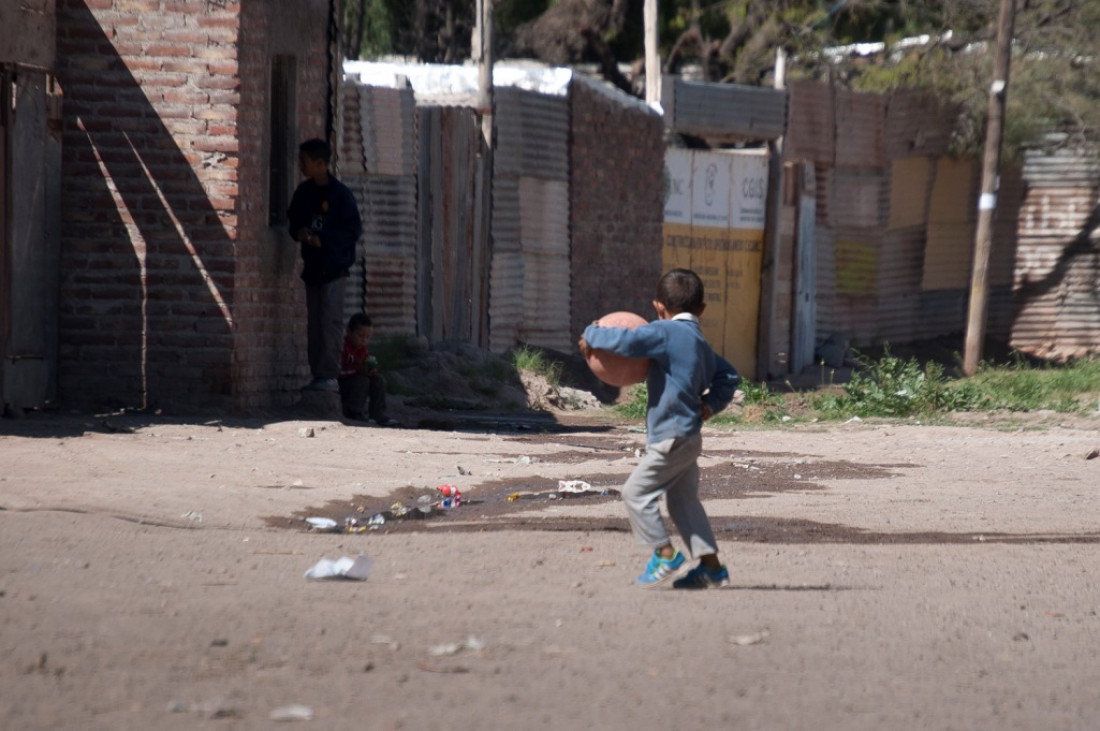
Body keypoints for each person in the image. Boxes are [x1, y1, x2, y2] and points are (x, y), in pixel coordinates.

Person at [578, 268, 740, 589]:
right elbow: (730, 376)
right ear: (702, 309)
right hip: (689, 436)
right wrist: (711, 404)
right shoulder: (700, 343)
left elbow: (623, 340)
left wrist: (591, 332)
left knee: (635, 494)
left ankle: (665, 554)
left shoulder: (664, 332)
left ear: (658, 307)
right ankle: (711, 567)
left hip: (672, 437)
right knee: (683, 503)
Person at [287, 138, 363, 392]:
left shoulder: (340, 195)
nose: (301, 166)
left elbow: (352, 230)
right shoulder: (304, 193)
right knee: (315, 323)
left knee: (330, 321)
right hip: (312, 270)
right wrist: (301, 234)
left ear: (320, 164)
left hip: (333, 270)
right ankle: (317, 374)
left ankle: (329, 375)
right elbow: (293, 221)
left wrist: (325, 241)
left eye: (304, 162)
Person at [339, 313, 399, 427]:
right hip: (344, 385)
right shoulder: (342, 347)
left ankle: (378, 415)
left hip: (357, 379)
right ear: (349, 332)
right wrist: (357, 371)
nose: (364, 340)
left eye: (367, 337)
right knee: (362, 381)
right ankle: (354, 413)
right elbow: (337, 372)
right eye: (360, 336)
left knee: (378, 379)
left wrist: (370, 370)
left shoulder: (363, 350)